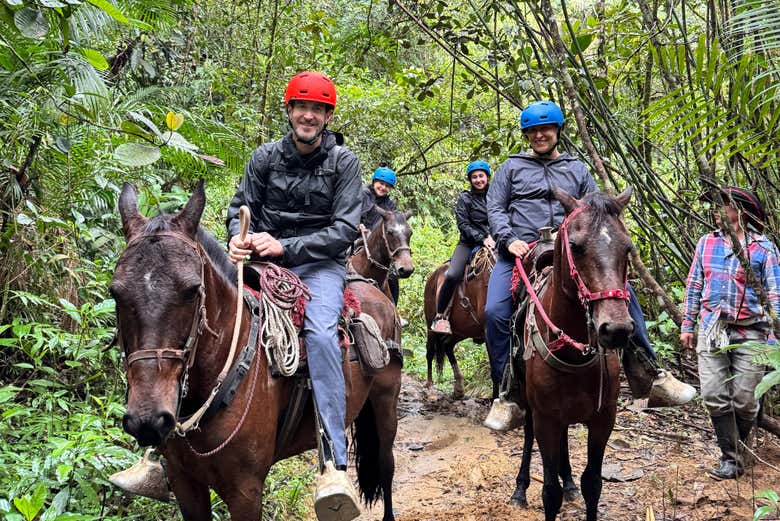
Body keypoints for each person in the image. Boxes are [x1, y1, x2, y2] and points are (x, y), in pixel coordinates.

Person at [482, 100, 696, 431]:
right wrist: (508, 239)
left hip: (573, 247)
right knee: (496, 312)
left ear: (558, 131)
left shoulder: (576, 169)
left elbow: (597, 212)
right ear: (526, 135)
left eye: (546, 129)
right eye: (533, 131)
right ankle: (507, 394)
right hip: (523, 248)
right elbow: (495, 208)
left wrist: (577, 236)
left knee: (621, 294)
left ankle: (651, 374)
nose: (540, 135)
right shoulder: (510, 168)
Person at [681, 186, 779, 480]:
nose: (715, 210)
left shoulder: (764, 249)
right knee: (713, 395)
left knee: (745, 400)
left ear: (741, 211)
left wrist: (774, 339)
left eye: (723, 205)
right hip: (713, 328)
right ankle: (731, 458)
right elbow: (694, 284)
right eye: (714, 205)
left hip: (754, 331)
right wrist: (688, 325)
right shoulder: (705, 243)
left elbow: (776, 295)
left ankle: (737, 445)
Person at [430, 160, 495, 334]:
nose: (478, 180)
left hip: (495, 241)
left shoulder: (495, 197)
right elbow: (463, 224)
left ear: (487, 177)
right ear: (470, 179)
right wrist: (482, 238)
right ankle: (440, 315)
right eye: (474, 177)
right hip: (469, 242)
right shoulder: (465, 198)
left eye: (481, 176)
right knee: (452, 274)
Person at [360, 166, 401, 305]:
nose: (383, 188)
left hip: (379, 244)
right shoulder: (363, 194)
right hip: (358, 237)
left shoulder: (390, 204)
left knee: (392, 275)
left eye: (387, 186)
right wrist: (358, 225)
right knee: (343, 261)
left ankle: (394, 309)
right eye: (381, 184)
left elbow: (393, 225)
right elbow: (351, 211)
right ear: (374, 181)